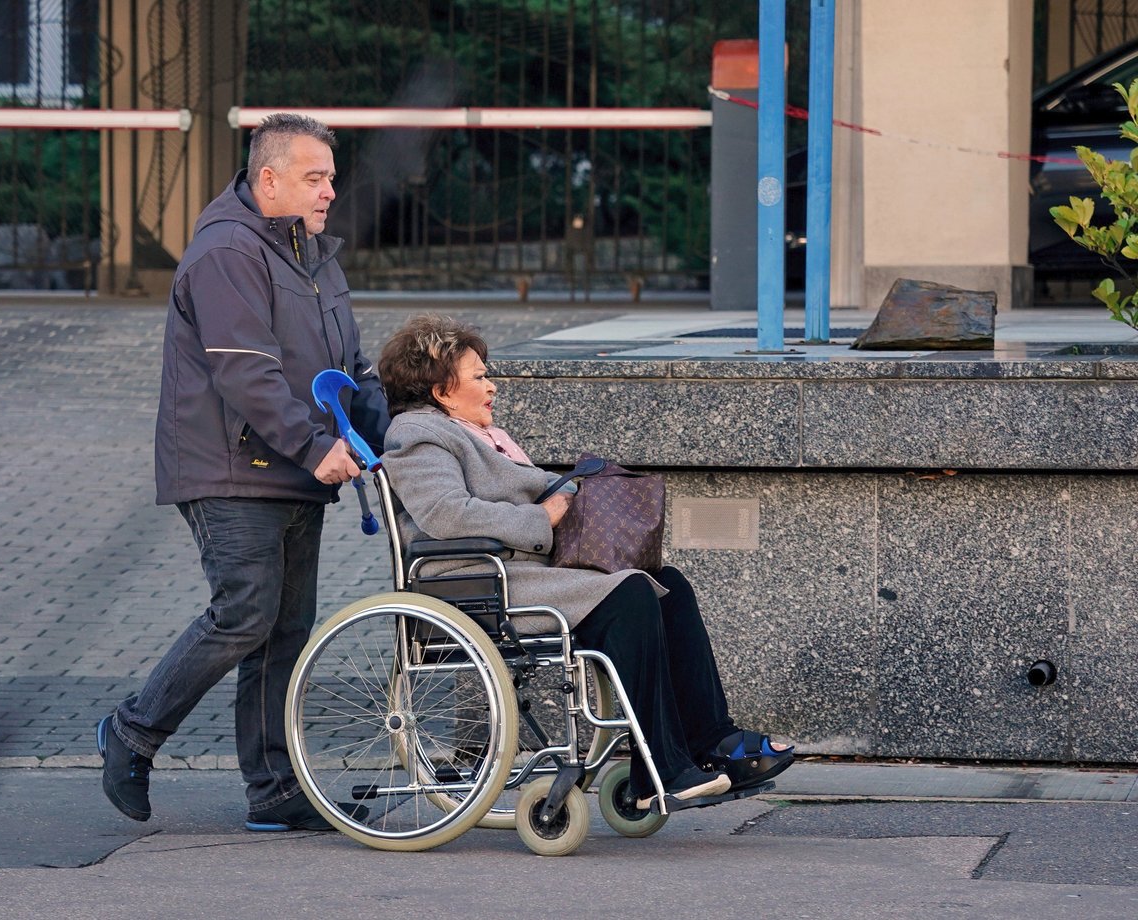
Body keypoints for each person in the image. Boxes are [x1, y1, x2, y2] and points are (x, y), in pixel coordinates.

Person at [96, 113, 390, 832]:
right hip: (232, 466)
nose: (328, 191)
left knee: (285, 627)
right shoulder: (228, 250)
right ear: (269, 178)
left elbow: (348, 364)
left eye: (330, 176)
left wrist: (393, 429)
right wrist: (313, 445)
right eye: (314, 178)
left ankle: (275, 790)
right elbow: (246, 373)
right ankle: (132, 732)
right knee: (245, 615)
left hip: (296, 468)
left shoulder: (313, 253)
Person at [377, 314, 792, 809]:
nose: (492, 386)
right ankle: (658, 772)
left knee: (669, 586)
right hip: (473, 579)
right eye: (480, 376)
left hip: (521, 572)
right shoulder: (418, 435)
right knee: (631, 594)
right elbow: (445, 514)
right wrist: (541, 517)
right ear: (443, 389)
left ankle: (711, 741)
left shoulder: (477, 433)